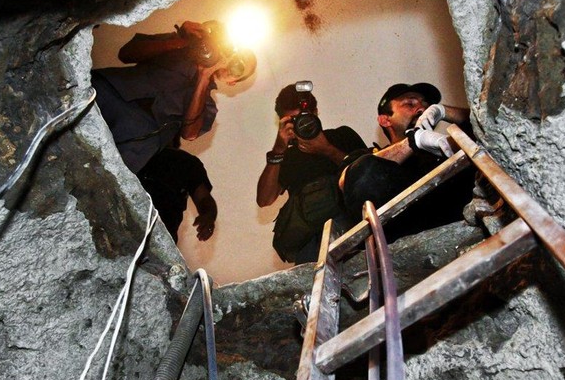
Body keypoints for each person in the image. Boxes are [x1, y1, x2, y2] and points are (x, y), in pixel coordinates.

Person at [91, 20, 257, 174]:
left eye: (238, 67)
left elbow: (189, 133)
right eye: (233, 53)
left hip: (133, 137)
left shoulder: (207, 107)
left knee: (94, 176)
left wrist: (204, 76)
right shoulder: (181, 45)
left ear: (233, 83)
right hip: (109, 91)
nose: (231, 62)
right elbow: (126, 53)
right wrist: (184, 42)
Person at [340, 82, 474, 240]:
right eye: (410, 103)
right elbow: (348, 180)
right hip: (400, 238)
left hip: (458, 228)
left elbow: (485, 129)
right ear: (385, 120)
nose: (422, 108)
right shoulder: (369, 155)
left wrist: (444, 110)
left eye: (426, 104)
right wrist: (412, 142)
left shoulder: (440, 150)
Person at [257, 83, 366, 263]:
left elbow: (368, 173)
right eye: (292, 120)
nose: (301, 124)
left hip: (354, 228)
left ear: (315, 114)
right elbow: (264, 199)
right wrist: (278, 150)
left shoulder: (342, 135)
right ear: (282, 122)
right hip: (311, 243)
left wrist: (327, 149)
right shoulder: (287, 156)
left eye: (304, 117)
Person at [138, 138, 217, 244]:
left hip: (162, 235)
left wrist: (209, 216)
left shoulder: (187, 163)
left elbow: (204, 198)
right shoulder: (132, 150)